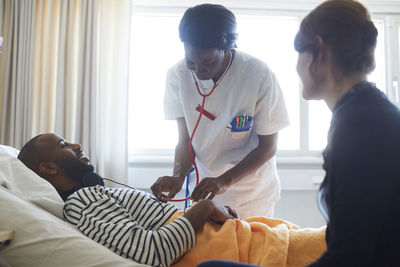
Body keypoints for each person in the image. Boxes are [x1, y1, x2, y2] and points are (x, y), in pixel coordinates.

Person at [18, 133, 327, 267]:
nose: (76, 144)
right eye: (63, 145)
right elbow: (154, 251)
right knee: (348, 246)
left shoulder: (94, 195)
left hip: (238, 239)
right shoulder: (82, 203)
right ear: (48, 168)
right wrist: (204, 207)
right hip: (232, 250)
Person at [151, 4, 289, 219]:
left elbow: (268, 147)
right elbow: (186, 139)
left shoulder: (258, 75)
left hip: (251, 194)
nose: (198, 71)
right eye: (191, 62)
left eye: (208, 62)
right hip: (205, 190)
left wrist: (224, 180)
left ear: (227, 48)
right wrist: (178, 177)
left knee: (250, 251)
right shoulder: (177, 76)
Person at [294, 0, 400, 266]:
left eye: (299, 53)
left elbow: (350, 257)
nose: (297, 67)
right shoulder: (362, 112)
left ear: (320, 50)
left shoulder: (362, 126)